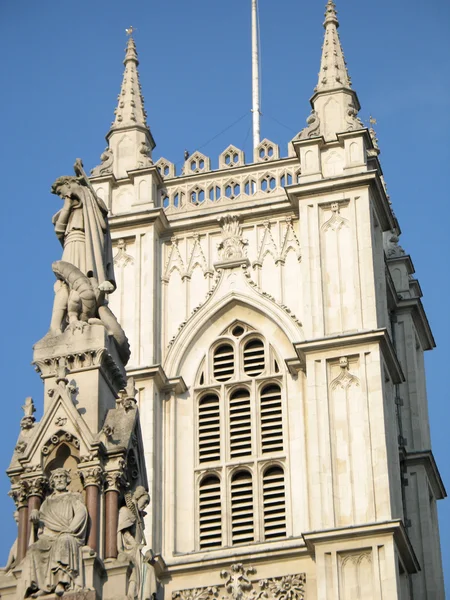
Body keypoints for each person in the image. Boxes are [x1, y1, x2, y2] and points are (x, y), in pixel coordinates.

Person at [23, 469, 88, 598]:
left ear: (67, 480)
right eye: (56, 477)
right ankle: (42, 586)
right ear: (52, 482)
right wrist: (36, 520)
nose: (59, 479)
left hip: (67, 533)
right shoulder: (46, 503)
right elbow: (41, 526)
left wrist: (71, 528)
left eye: (62, 477)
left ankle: (62, 582)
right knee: (34, 549)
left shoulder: (73, 497)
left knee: (64, 541)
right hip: (49, 536)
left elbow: (81, 513)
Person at [117, 487, 157, 600]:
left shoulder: (140, 519)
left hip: (137, 550)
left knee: (150, 569)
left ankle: (145, 596)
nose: (144, 506)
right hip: (129, 549)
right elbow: (123, 532)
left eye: (146, 505)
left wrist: (148, 552)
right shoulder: (126, 511)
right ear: (138, 498)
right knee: (135, 568)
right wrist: (135, 544)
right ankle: (131, 594)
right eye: (144, 502)